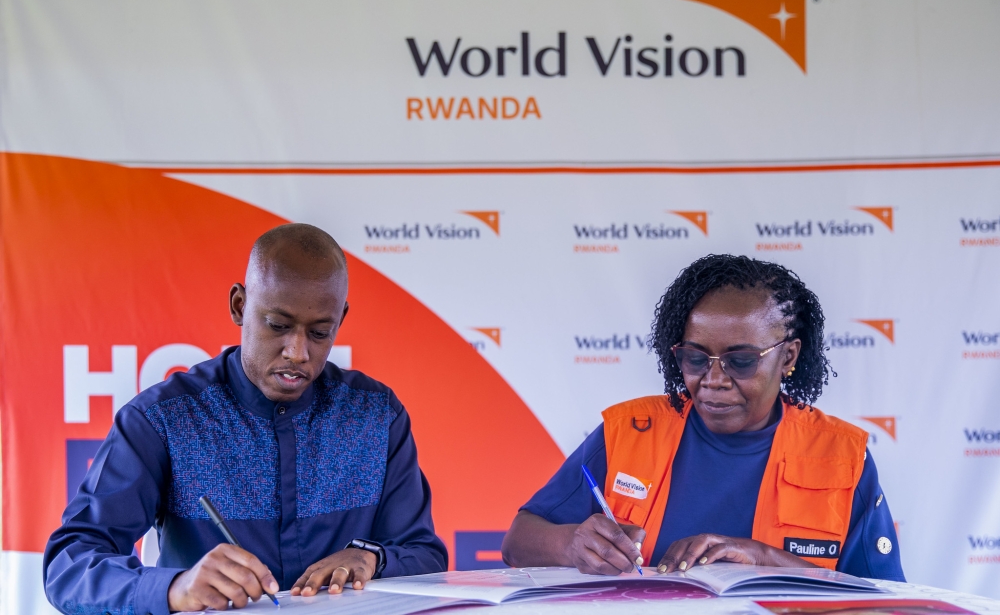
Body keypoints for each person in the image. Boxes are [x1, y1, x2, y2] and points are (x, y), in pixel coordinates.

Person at [44, 224, 448, 614]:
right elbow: (69, 565)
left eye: (320, 333)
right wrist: (175, 587)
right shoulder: (163, 419)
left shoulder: (376, 415)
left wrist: (371, 559)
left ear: (340, 318)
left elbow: (423, 553)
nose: (297, 352)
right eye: (278, 325)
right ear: (240, 305)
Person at [502, 254, 904, 580]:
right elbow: (518, 542)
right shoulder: (630, 430)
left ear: (789, 357)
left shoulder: (841, 457)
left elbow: (879, 600)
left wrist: (764, 559)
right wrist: (572, 544)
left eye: (741, 361)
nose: (713, 380)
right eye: (695, 358)